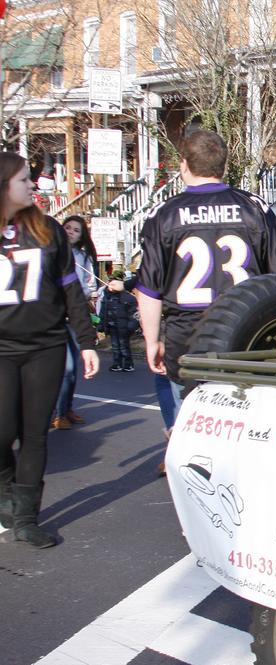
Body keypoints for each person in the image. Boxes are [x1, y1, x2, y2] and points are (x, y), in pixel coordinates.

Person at [135, 130, 276, 476]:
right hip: (247, 332)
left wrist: (152, 339)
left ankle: (196, 512)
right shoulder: (254, 207)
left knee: (195, 419)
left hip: (189, 335)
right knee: (245, 419)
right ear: (224, 165)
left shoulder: (165, 215)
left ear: (183, 165)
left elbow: (150, 289)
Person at [0, 152, 99, 548]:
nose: (33, 185)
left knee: (35, 434)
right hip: (1, 349)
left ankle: (26, 517)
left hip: (46, 345)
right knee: (3, 431)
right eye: (25, 179)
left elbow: (71, 289)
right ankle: (6, 489)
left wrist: (87, 342)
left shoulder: (48, 231)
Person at [51, 215, 98, 429]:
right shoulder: (54, 252)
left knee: (75, 366)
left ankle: (66, 408)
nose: (70, 231)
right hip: (58, 315)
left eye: (75, 230)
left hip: (76, 314)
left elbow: (88, 284)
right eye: (67, 227)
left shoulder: (84, 256)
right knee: (67, 367)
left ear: (82, 236)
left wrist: (90, 293)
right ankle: (59, 414)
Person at [99, 269, 138, 371]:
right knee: (115, 346)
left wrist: (131, 326)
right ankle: (117, 363)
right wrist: (101, 324)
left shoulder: (129, 298)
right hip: (112, 326)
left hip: (124, 327)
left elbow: (134, 314)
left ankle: (128, 364)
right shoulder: (107, 298)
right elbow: (103, 312)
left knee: (124, 346)